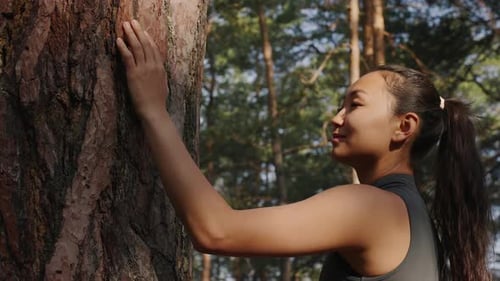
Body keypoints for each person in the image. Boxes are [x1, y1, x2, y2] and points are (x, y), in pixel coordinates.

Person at [116, 20, 491, 281]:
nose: (336, 117)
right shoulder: (419, 225)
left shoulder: (374, 207)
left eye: (355, 105)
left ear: (404, 127)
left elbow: (216, 230)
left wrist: (153, 110)